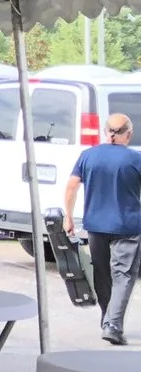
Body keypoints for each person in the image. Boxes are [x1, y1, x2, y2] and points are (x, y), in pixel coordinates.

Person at [64, 111, 141, 344]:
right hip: (127, 226)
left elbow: (71, 186)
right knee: (124, 275)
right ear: (128, 134)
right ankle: (112, 325)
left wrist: (68, 217)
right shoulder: (135, 159)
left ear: (107, 132)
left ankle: (107, 319)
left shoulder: (88, 156)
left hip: (95, 225)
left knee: (102, 274)